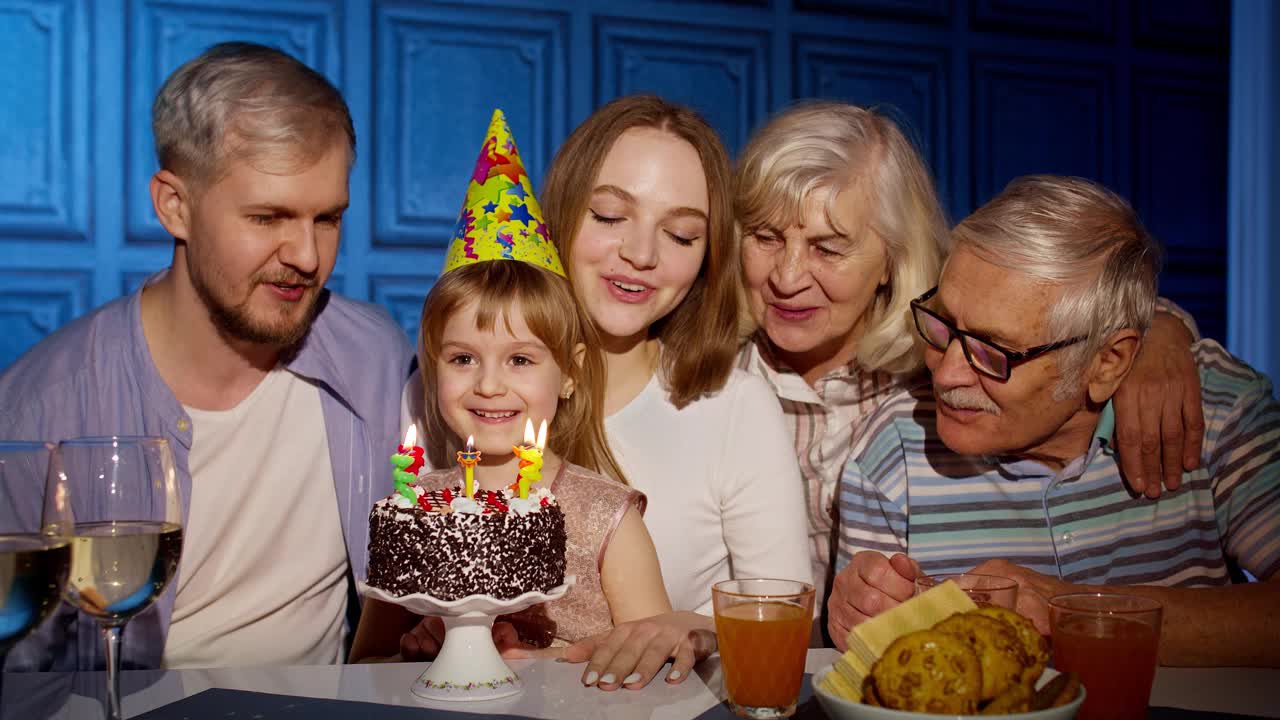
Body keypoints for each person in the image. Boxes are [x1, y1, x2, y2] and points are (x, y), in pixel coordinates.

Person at [0, 42, 413, 671]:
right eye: (268, 216)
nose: (306, 255)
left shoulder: (376, 358)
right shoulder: (39, 410)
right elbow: (21, 673)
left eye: (327, 218)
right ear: (175, 206)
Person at [733, 102, 1205, 603]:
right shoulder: (711, 380)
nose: (786, 278)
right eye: (764, 237)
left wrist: (1158, 331)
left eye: (827, 249)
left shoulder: (938, 346)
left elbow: (1063, 306)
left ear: (894, 260)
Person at [828, 175, 1280, 666]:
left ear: (1106, 363)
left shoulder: (1212, 411)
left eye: (991, 350)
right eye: (943, 324)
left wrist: (1075, 614)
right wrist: (860, 612)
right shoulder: (891, 454)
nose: (946, 372)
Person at [350, 258, 673, 660]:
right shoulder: (415, 511)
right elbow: (364, 666)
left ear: (571, 373)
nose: (488, 386)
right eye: (462, 359)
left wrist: (536, 661)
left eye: (520, 360)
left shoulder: (607, 517)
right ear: (435, 370)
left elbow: (652, 660)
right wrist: (416, 658)